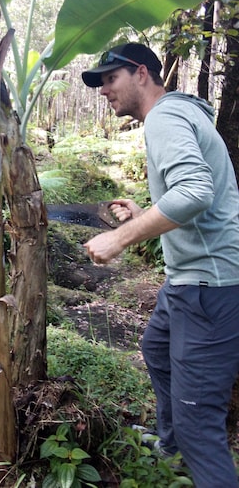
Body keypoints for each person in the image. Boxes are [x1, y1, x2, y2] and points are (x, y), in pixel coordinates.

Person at [81, 42, 239, 488]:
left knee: (199, 425)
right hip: (186, 281)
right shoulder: (177, 114)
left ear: (141, 73)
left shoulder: (165, 118)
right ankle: (169, 445)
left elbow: (194, 192)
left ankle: (188, 446)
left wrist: (118, 237)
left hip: (207, 288)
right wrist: (143, 212)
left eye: (111, 78)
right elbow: (190, 201)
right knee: (155, 349)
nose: (104, 90)